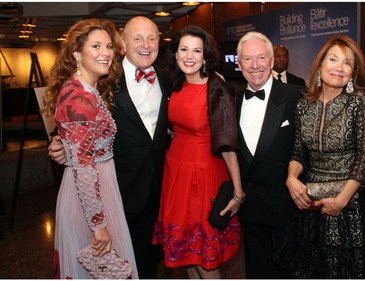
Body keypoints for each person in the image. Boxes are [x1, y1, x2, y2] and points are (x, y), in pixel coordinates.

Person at [48, 16, 170, 278]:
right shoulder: (105, 80)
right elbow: (72, 125)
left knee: (145, 262)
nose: (145, 45)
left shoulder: (167, 78)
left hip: (154, 188)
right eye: (137, 38)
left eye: (152, 38)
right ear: (124, 45)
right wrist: (59, 143)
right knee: (107, 266)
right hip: (112, 191)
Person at [42, 19, 138, 278]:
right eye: (96, 46)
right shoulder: (78, 97)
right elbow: (84, 168)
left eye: (108, 46)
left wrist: (62, 142)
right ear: (76, 53)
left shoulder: (88, 89)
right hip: (89, 196)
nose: (105, 52)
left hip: (99, 188)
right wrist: (98, 226)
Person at [276, 34, 365, 278]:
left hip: (347, 204)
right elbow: (298, 151)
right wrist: (291, 178)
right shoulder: (304, 105)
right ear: (320, 64)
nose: (339, 68)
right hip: (310, 204)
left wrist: (341, 200)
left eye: (347, 63)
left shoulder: (360, 102)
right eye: (333, 59)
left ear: (353, 72)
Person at [152, 25, 244, 279]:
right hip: (176, 173)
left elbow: (227, 144)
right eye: (184, 49)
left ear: (205, 56)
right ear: (175, 53)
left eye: (196, 51)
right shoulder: (176, 85)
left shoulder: (217, 89)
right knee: (187, 256)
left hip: (203, 175)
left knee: (205, 258)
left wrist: (237, 191)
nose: (189, 56)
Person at [235, 31, 304, 278]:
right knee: (256, 267)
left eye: (261, 58)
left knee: (291, 269)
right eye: (248, 59)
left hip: (286, 202)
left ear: (272, 61)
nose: (255, 65)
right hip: (250, 203)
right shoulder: (231, 99)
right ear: (239, 63)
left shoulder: (295, 95)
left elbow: (305, 147)